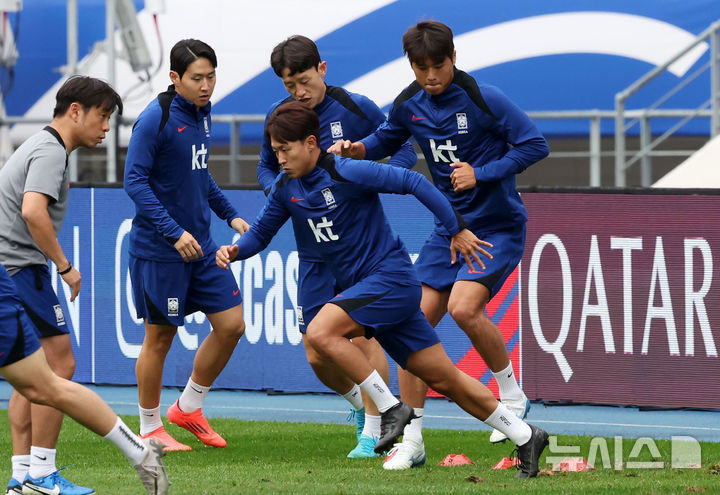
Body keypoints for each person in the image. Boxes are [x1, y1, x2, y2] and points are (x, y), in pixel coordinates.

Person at [217, 101, 549, 478]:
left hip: (390, 281)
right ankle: (525, 435)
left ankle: (391, 407)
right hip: (377, 293)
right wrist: (234, 251)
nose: (279, 159)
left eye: (285, 149)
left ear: (311, 143)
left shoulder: (347, 170)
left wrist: (455, 226)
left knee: (321, 329)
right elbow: (260, 233)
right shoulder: (284, 189)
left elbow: (414, 181)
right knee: (445, 378)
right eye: (275, 151)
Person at [328, 20, 550, 469]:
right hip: (447, 230)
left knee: (463, 307)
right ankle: (413, 442)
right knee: (409, 328)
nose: (430, 75)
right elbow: (386, 139)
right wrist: (358, 149)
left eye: (438, 65)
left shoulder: (484, 98)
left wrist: (481, 172)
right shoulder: (409, 103)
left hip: (496, 225)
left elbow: (535, 145)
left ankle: (509, 390)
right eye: (420, 67)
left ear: (453, 58)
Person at [260, 35, 417, 458]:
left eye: (305, 81)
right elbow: (265, 168)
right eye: (290, 86)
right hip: (313, 251)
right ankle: (367, 408)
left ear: (323, 69)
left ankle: (374, 429)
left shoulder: (355, 107)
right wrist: (281, 192)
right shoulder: (282, 119)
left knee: (362, 339)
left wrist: (376, 181)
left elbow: (403, 148)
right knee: (315, 349)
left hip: (355, 247)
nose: (299, 93)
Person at [0, 75, 125, 494]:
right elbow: (34, 211)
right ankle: (41, 473)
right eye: (103, 116)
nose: (107, 127)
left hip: (12, 267)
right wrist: (65, 265)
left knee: (30, 373)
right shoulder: (51, 150)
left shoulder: (42, 146)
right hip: (19, 267)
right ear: (76, 111)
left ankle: (21, 474)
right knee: (60, 365)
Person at [124, 39, 248, 452]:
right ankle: (149, 429)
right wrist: (174, 232)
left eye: (211, 76)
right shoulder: (154, 120)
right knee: (159, 338)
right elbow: (135, 182)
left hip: (203, 246)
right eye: (197, 78)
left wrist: (230, 214)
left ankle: (189, 407)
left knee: (232, 325)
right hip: (162, 251)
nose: (206, 85)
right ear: (175, 77)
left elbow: (200, 173)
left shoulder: (203, 113)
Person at [0, 264, 170, 495]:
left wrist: (63, 265)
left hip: (17, 276)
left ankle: (140, 453)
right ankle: (26, 476)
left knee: (42, 384)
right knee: (43, 382)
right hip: (19, 270)